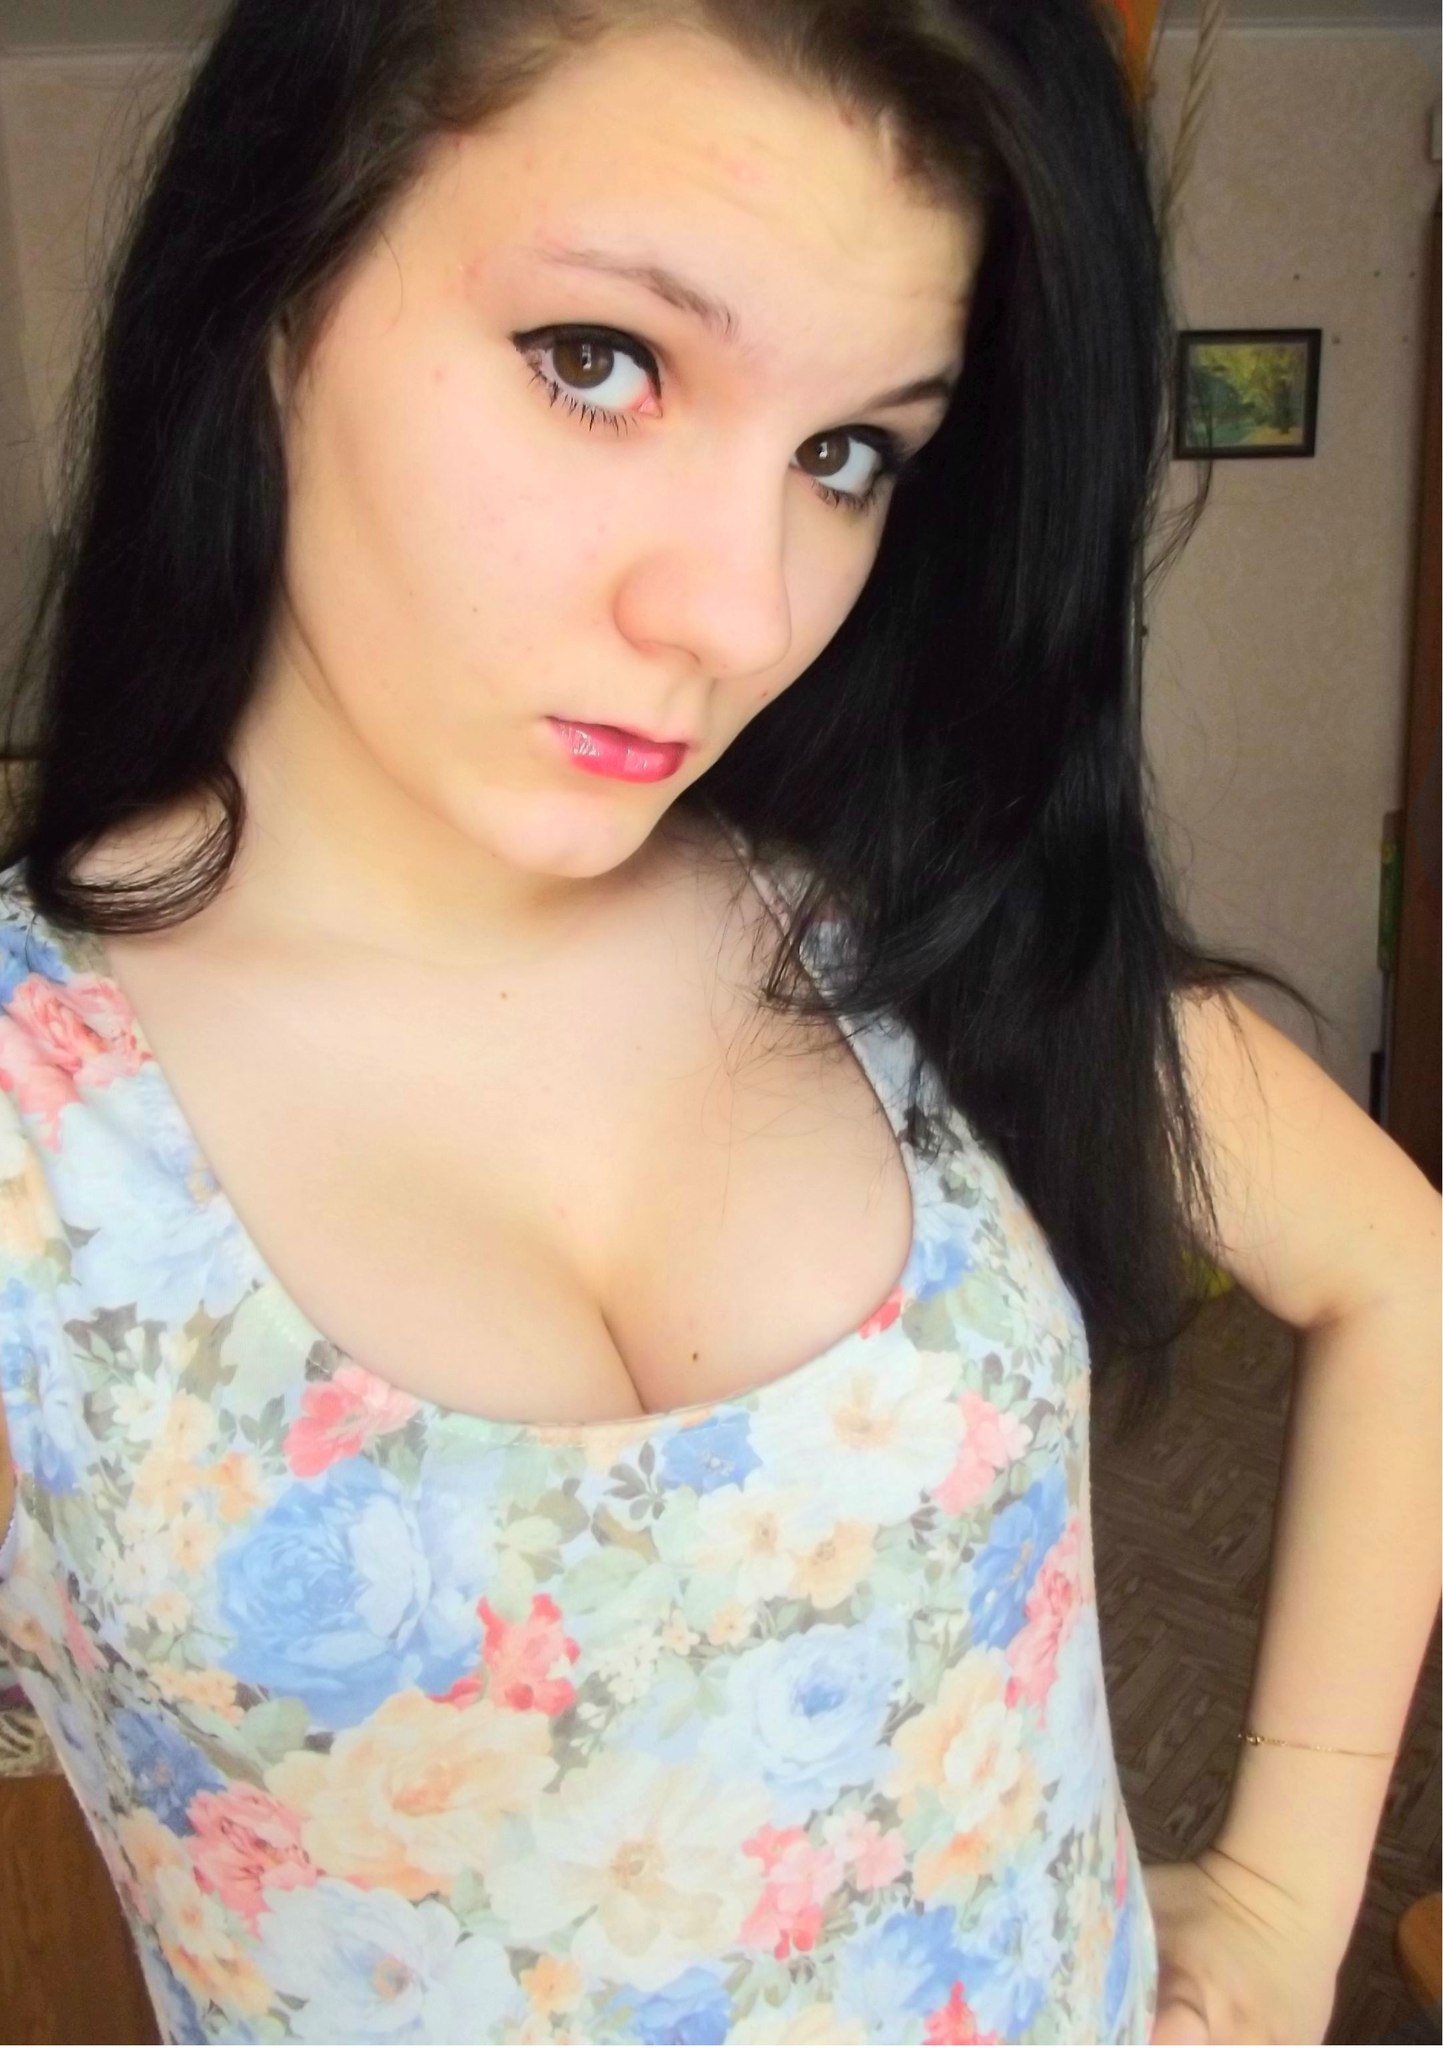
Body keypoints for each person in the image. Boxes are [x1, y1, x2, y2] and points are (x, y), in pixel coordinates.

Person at [0, 1, 1437, 2043]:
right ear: (275, 291)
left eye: (847, 456)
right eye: (600, 362)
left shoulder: (890, 922)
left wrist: (1288, 1900)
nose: (742, 612)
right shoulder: (36, 1128)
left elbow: (1402, 1269)